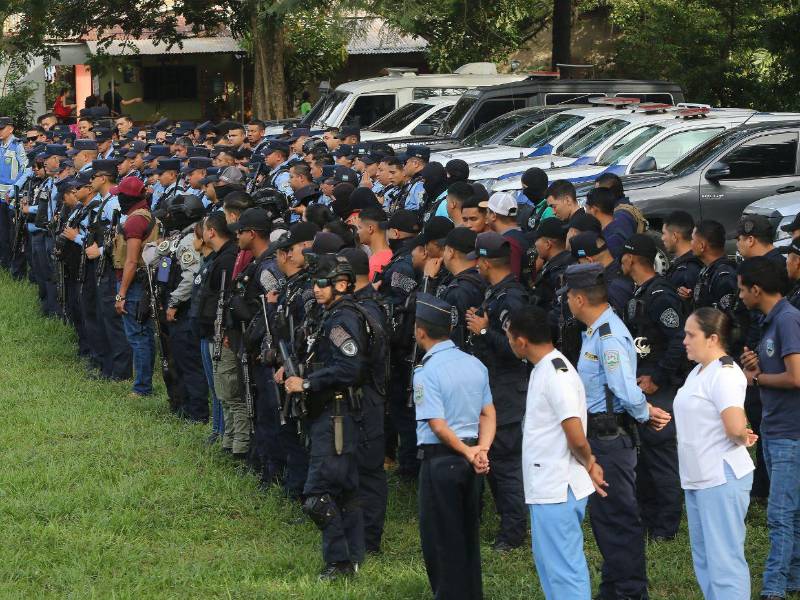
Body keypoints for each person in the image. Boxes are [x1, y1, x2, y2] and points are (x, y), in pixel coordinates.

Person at [566, 262, 672, 600]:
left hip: (610, 437)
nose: (567, 301)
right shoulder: (596, 332)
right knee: (607, 519)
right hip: (601, 436)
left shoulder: (608, 336)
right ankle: (613, 588)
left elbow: (624, 389)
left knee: (619, 519)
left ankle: (630, 591)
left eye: (569, 295)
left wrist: (644, 413)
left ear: (580, 298)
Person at [505, 306, 607, 600]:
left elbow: (574, 432)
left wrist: (589, 461)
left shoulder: (557, 373)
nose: (509, 343)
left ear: (522, 341)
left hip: (557, 487)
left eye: (510, 338)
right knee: (550, 566)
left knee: (564, 569)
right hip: (547, 486)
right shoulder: (544, 368)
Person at [283, 254, 368, 580]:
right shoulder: (331, 315)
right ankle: (354, 556)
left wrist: (306, 382)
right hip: (334, 414)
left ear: (342, 284)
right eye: (314, 282)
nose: (316, 289)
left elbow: (349, 368)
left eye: (323, 283)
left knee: (318, 495)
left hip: (335, 416)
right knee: (345, 491)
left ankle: (339, 562)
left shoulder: (341, 320)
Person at [413, 292, 496, 600]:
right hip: (473, 461)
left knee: (441, 542)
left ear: (421, 331)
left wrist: (466, 451)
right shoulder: (475, 364)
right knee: (467, 537)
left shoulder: (426, 371)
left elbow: (437, 424)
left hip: (442, 460)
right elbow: (488, 413)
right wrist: (481, 450)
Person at [675, 307, 756, 600]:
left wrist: (741, 433)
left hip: (720, 478)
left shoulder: (724, 373)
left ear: (711, 338)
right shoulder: (699, 371)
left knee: (724, 562)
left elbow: (734, 423)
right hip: (699, 477)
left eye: (690, 334)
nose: (684, 340)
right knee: (706, 561)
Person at [737, 257, 800, 600]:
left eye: (742, 289)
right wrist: (758, 365)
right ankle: (792, 580)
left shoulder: (788, 320)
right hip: (777, 429)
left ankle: (773, 589)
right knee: (791, 513)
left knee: (780, 515)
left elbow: (796, 376)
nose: (741, 296)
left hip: (789, 433)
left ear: (757, 289)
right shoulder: (770, 321)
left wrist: (758, 378)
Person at [465, 232, 530, 552]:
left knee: (505, 464)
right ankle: (508, 524)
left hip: (507, 389)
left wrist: (484, 330)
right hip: (493, 387)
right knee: (495, 460)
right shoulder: (497, 293)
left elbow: (518, 349)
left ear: (486, 262)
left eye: (476, 260)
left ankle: (513, 533)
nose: (474, 265)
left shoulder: (511, 298)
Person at [620, 234, 685, 541]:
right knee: (645, 457)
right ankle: (648, 520)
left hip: (659, 388)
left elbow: (678, 342)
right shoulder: (641, 293)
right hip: (641, 385)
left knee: (660, 457)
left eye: (623, 256)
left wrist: (657, 377)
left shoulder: (660, 295)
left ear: (632, 259)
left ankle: (666, 527)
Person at [112, 176, 160, 397]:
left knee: (138, 337)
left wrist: (121, 294)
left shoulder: (134, 221)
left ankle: (142, 388)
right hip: (144, 282)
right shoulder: (146, 215)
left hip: (133, 284)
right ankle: (144, 384)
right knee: (145, 335)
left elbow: (131, 260)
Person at [662, 210, 703, 312]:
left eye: (664, 233)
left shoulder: (686, 270)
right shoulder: (698, 260)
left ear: (675, 236)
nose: (662, 238)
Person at [483, 191, 529, 280]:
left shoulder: (509, 242)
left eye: (487, 212)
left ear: (493, 216)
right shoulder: (523, 235)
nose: (486, 215)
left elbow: (511, 280)